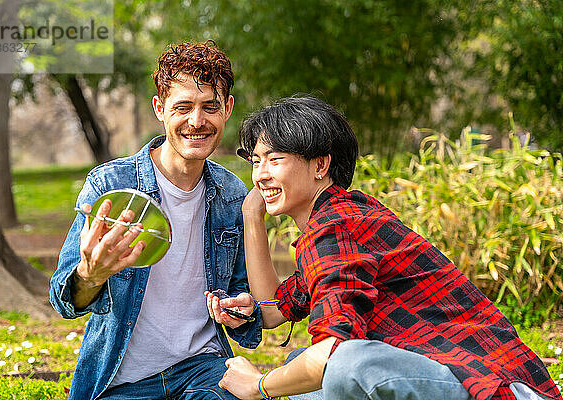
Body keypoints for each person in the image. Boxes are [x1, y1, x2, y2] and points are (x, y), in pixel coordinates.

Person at [208, 96, 562, 400]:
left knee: (344, 365)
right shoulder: (341, 217)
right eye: (255, 161)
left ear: (320, 165)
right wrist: (251, 216)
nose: (260, 174)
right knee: (298, 366)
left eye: (274, 159)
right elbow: (271, 311)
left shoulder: (336, 226)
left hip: (496, 388)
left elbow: (332, 351)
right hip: (461, 379)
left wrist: (258, 385)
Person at [50, 41, 262, 400]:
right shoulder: (110, 186)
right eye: (183, 107)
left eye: (210, 106)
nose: (197, 121)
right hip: (120, 380)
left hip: (202, 368)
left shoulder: (232, 193)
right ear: (160, 109)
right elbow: (64, 299)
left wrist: (241, 309)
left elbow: (246, 303)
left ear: (227, 109)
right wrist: (91, 274)